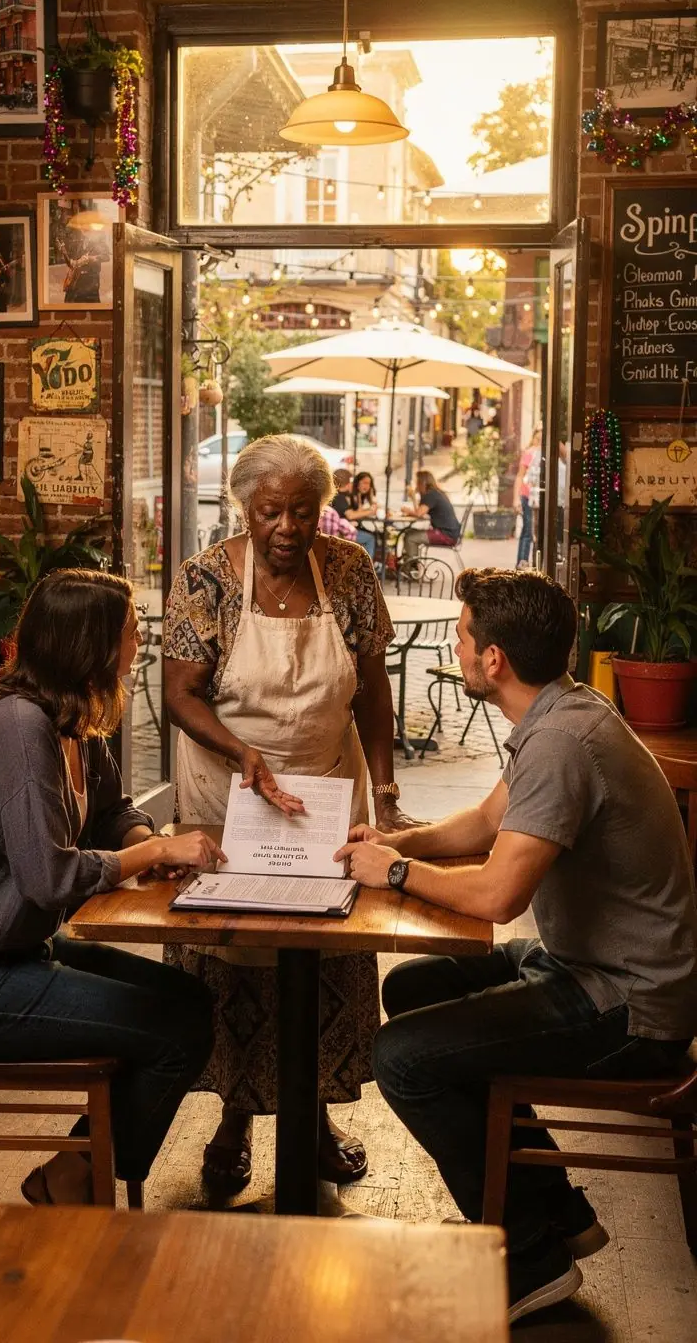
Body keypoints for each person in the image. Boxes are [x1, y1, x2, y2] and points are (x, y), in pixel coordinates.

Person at [336, 567, 697, 1324]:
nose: (459, 648)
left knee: (403, 1057)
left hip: (629, 1006)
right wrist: (400, 840)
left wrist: (397, 872)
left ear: (493, 658)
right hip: (588, 965)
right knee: (412, 989)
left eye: (465, 638)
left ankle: (529, 1258)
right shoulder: (564, 712)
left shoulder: (563, 741)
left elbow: (500, 897)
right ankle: (554, 1212)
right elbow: (486, 821)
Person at [0, 569, 221, 1206]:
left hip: (11, 954)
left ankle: (80, 1172)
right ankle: (76, 1180)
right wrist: (155, 851)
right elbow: (48, 880)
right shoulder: (21, 730)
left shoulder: (71, 721)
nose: (139, 645)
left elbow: (112, 811)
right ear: (91, 644)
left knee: (193, 1004)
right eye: (131, 633)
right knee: (173, 1032)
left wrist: (133, 840)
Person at [163, 434, 409, 1195]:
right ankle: (235, 1120)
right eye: (270, 511)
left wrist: (388, 792)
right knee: (237, 964)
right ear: (244, 507)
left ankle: (313, 1119)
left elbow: (371, 692)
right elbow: (179, 695)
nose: (287, 528)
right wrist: (243, 753)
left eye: (304, 512)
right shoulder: (204, 577)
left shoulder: (351, 572)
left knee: (326, 956)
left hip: (327, 794)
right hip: (228, 796)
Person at [402, 469, 461, 552]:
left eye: (417, 482)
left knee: (410, 538)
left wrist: (407, 511)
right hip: (450, 533)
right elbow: (420, 512)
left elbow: (418, 513)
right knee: (409, 532)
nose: (416, 485)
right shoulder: (434, 493)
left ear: (423, 483)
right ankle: (412, 561)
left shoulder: (431, 495)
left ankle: (412, 564)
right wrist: (413, 497)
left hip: (446, 535)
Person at [60, 214, 110, 305]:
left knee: (91, 307)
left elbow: (107, 256)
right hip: (77, 280)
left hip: (91, 281)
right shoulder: (80, 242)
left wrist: (93, 258)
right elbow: (73, 264)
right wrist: (64, 253)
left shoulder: (99, 241)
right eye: (81, 226)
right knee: (71, 304)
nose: (82, 229)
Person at [513, 428, 541, 568]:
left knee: (539, 532)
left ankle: (537, 563)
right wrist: (516, 499)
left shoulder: (549, 453)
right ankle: (521, 563)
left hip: (543, 497)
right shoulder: (529, 453)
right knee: (528, 530)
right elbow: (519, 476)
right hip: (527, 496)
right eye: (538, 438)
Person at [344, 470, 379, 559]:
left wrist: (371, 496)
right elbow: (356, 513)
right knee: (372, 537)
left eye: (369, 484)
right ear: (357, 483)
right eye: (364, 483)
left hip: (363, 526)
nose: (366, 486)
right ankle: (367, 565)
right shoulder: (351, 496)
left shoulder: (367, 496)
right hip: (351, 528)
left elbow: (375, 508)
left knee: (379, 536)